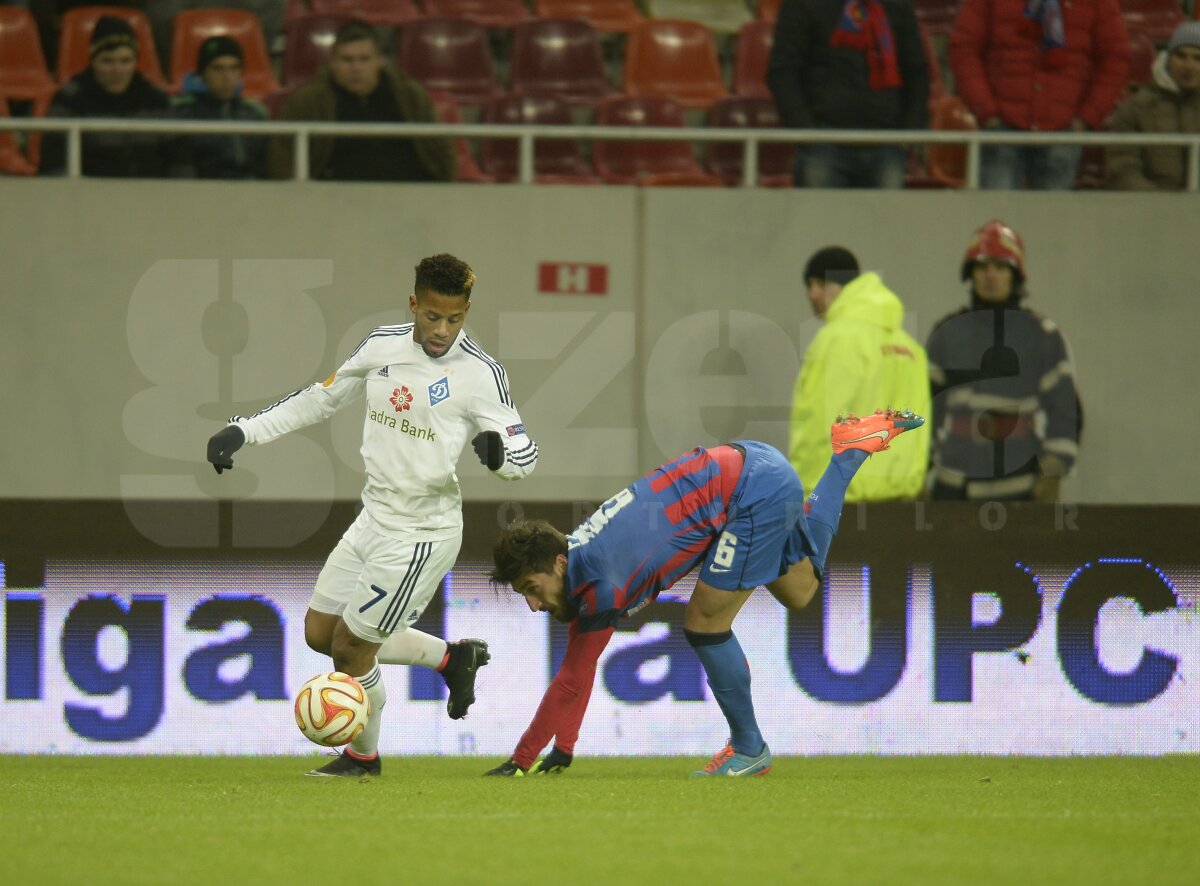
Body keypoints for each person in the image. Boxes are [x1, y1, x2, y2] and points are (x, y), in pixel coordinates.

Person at [205, 254, 539, 777]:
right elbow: (319, 399)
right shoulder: (382, 345)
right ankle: (454, 659)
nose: (441, 330)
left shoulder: (480, 374)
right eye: (432, 316)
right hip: (373, 517)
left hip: (422, 533)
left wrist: (501, 458)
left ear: (467, 312)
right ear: (414, 305)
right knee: (321, 633)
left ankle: (363, 757)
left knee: (352, 646)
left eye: (454, 319)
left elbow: (525, 454)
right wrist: (244, 431)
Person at [482, 410, 924, 778]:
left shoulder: (600, 586)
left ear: (557, 566)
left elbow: (572, 679)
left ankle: (749, 749)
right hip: (751, 468)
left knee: (706, 623)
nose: (534, 605)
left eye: (531, 590)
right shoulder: (577, 559)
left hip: (750, 492)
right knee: (799, 590)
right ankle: (848, 454)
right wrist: (564, 748)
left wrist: (519, 762)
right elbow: (578, 666)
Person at [925, 221, 1082, 501]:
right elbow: (926, 409)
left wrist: (1053, 472)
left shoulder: (1041, 336)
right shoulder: (946, 334)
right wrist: (919, 472)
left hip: (1020, 487)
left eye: (1000, 268)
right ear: (970, 275)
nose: (991, 276)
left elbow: (1065, 410)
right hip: (952, 486)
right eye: (982, 267)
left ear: (1015, 276)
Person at [789, 246, 930, 502]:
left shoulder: (835, 340)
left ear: (836, 285)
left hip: (839, 501)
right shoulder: (911, 348)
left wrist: (807, 497)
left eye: (817, 284)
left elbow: (817, 425)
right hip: (902, 502)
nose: (812, 295)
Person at [949, 0, 1130, 190]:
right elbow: (964, 48)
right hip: (1001, 129)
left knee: (1051, 217)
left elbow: (1115, 58)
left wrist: (1086, 119)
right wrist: (987, 113)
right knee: (997, 214)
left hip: (1064, 132)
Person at [766, 0, 929, 189]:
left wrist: (908, 133)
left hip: (887, 143)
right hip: (822, 142)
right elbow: (783, 71)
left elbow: (916, 71)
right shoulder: (803, 4)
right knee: (821, 218)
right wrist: (805, 131)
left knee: (885, 219)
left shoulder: (897, 6)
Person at [266, 19, 455, 182]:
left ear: (379, 61)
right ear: (332, 62)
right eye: (347, 60)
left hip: (410, 196)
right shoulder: (307, 100)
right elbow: (282, 158)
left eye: (364, 59)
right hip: (330, 200)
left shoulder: (410, 95)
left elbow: (439, 149)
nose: (356, 68)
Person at [38, 14, 171, 177]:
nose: (117, 70)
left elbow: (179, 160)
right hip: (87, 197)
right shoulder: (69, 99)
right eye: (107, 61)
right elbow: (53, 164)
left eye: (125, 61)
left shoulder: (156, 99)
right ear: (93, 61)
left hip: (154, 196)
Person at [1106, 21, 1200, 192]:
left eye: (1197, 58)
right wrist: (1158, 204)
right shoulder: (1135, 109)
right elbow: (1122, 169)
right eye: (1181, 56)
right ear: (1168, 59)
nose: (1189, 66)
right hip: (1151, 211)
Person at [168, 35, 268, 179]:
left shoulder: (257, 112)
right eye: (218, 68)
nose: (227, 77)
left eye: (234, 68)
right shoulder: (180, 111)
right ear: (203, 74)